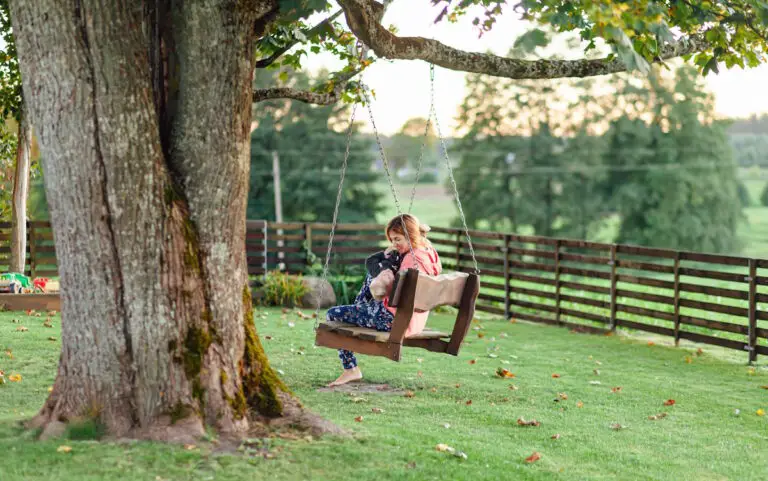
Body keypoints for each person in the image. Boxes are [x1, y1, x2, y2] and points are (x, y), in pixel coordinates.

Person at [326, 214, 442, 387]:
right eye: (392, 240)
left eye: (397, 239)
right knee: (372, 276)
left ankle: (351, 369)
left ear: (410, 235)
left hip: (392, 320)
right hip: (413, 320)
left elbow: (393, 292)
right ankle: (360, 307)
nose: (394, 244)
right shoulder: (428, 252)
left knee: (332, 314)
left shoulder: (411, 260)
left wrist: (385, 269)